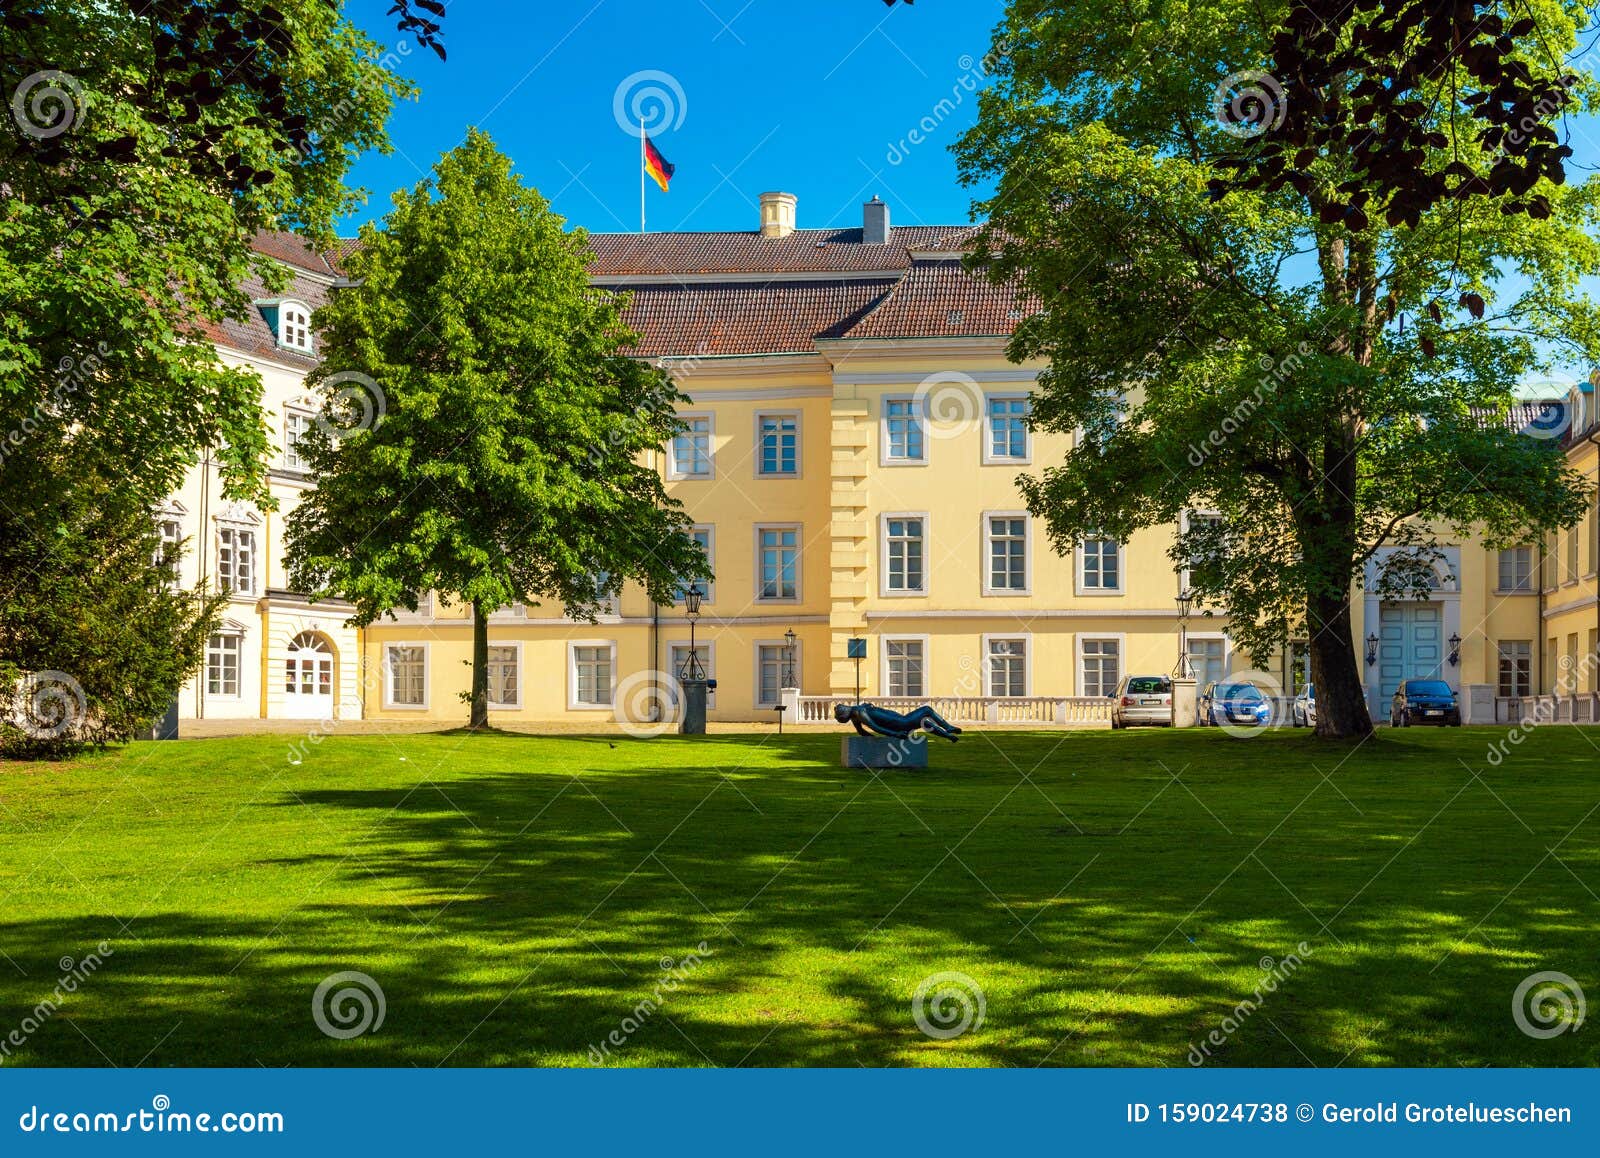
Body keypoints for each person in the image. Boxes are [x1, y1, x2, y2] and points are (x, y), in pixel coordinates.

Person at [833, 700, 962, 742]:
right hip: (900, 723)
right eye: (842, 709)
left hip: (899, 721)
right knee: (927, 710)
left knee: (925, 723)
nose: (844, 706)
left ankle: (949, 736)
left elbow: (862, 732)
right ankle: (948, 727)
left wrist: (875, 740)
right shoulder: (858, 713)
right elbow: (874, 727)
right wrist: (895, 735)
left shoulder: (856, 714)